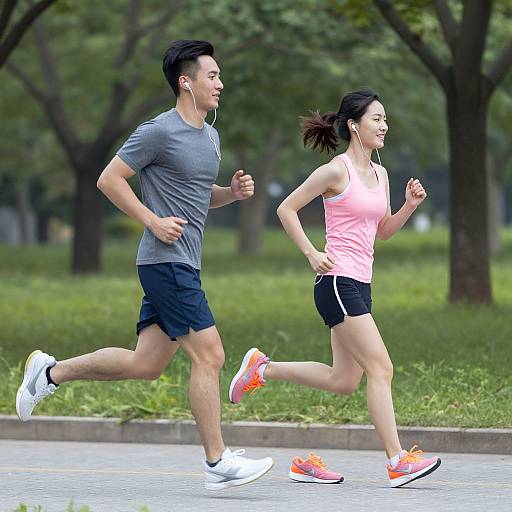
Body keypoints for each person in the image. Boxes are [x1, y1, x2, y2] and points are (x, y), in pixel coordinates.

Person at [16, 39, 273, 491]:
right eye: (212, 76)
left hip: (184, 263)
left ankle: (50, 372)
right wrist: (152, 220)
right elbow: (108, 179)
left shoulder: (209, 136)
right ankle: (217, 463)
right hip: (164, 262)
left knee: (146, 364)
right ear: (185, 83)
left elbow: (196, 195)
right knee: (211, 355)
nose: (221, 84)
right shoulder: (158, 131)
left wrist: (230, 193)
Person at [228, 88, 440, 488]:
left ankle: (262, 368)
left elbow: (382, 232)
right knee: (382, 367)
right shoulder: (335, 171)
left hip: (361, 282)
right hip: (337, 281)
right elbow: (285, 208)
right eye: (377, 118)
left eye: (385, 118)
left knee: (345, 380)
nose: (384, 125)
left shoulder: (382, 174)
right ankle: (397, 461)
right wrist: (311, 252)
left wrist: (409, 206)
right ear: (354, 125)